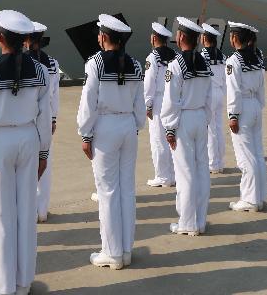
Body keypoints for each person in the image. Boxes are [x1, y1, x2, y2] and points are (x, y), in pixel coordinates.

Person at [0, 10, 51, 295]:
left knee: (3, 216)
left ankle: (3, 287)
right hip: (29, 137)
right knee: (26, 213)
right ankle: (23, 281)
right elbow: (45, 115)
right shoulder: (41, 71)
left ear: (0, 37)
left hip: (0, 141)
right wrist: (43, 153)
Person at [77, 14, 146, 269]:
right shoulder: (135, 64)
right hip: (128, 125)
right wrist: (135, 125)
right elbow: (141, 103)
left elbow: (89, 102)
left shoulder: (94, 63)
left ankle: (112, 252)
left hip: (105, 127)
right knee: (127, 190)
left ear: (104, 37)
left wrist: (85, 133)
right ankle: (126, 249)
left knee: (107, 191)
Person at [162, 17, 213, 235]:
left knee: (185, 173)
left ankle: (187, 222)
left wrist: (170, 128)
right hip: (200, 117)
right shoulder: (204, 62)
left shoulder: (174, 65)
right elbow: (210, 96)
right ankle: (200, 220)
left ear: (181, 37)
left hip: (183, 119)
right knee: (202, 170)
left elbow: (170, 100)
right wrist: (206, 119)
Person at [225, 21, 267, 211]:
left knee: (245, 157)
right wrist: (259, 105)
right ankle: (259, 196)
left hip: (242, 107)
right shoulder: (257, 59)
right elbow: (261, 86)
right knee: (257, 154)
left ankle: (249, 200)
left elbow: (233, 90)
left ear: (234, 38)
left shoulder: (234, 61)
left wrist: (233, 115)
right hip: (255, 105)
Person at [26, 21, 60, 224]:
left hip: (28, 117)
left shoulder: (23, 62)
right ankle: (42, 210)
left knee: (27, 166)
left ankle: (30, 209)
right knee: (44, 163)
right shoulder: (53, 63)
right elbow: (54, 94)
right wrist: (53, 118)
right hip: (46, 116)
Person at [144, 22, 176, 188]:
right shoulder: (175, 55)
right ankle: (174, 174)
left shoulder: (153, 57)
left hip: (158, 100)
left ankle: (163, 176)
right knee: (172, 137)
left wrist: (147, 104)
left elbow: (149, 82)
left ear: (154, 38)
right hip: (173, 98)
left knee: (158, 139)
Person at [200, 22, 227, 174]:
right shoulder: (222, 56)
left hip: (209, 94)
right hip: (220, 92)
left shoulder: (202, 55)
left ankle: (212, 163)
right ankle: (220, 161)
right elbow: (224, 78)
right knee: (218, 128)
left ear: (205, 38)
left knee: (210, 130)